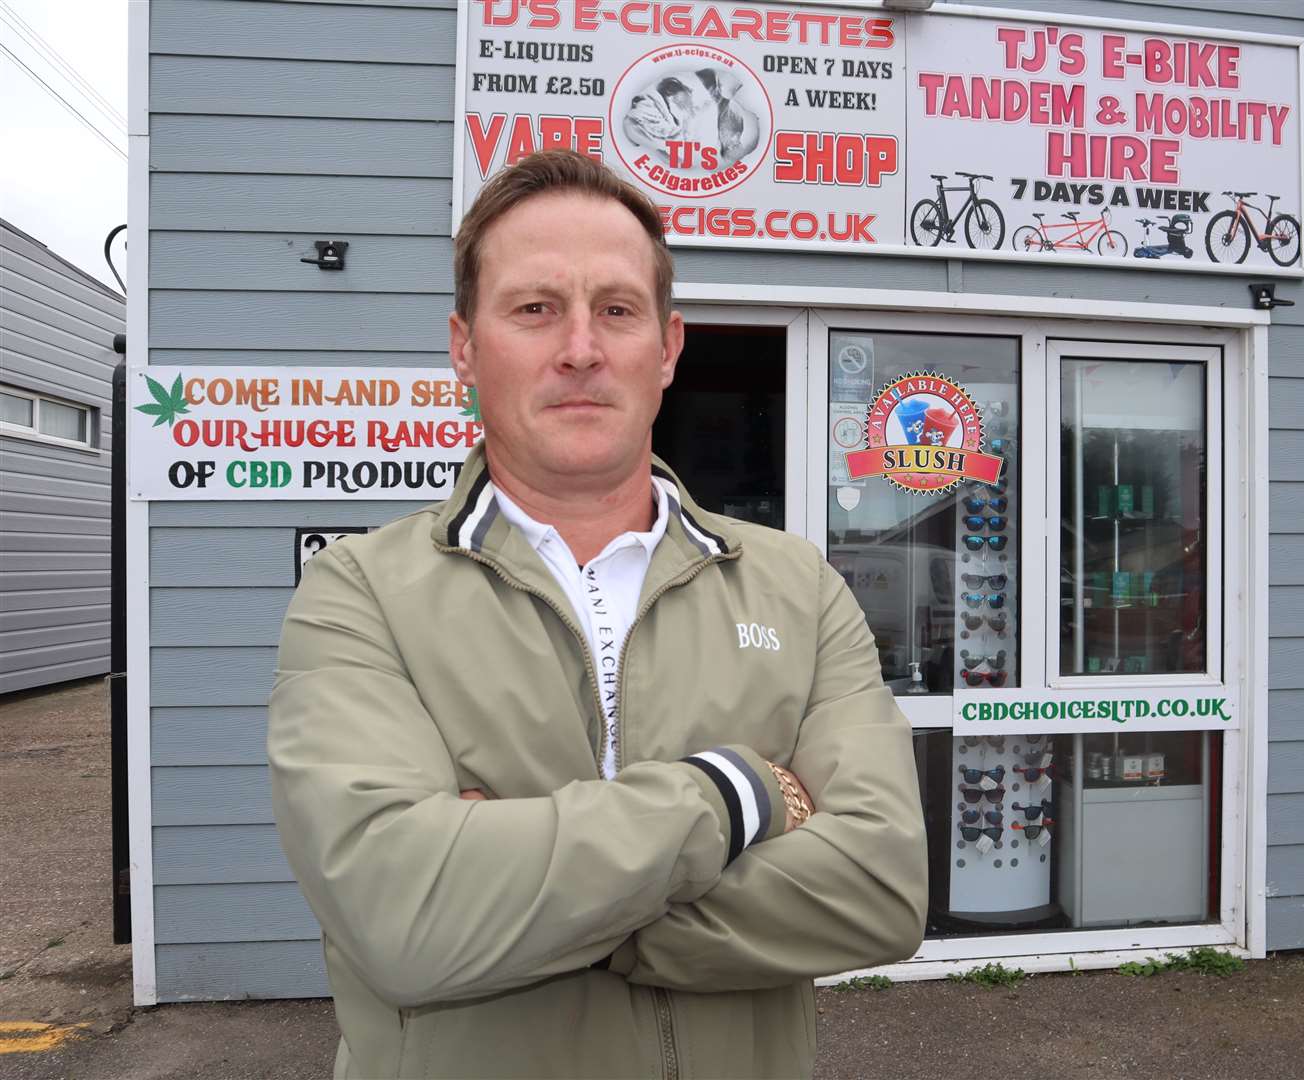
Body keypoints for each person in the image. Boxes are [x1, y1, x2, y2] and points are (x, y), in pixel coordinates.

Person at [266, 149, 928, 1080]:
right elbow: (403, 919)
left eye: (617, 310)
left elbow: (880, 889)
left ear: (667, 347)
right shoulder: (359, 593)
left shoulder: (797, 587)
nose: (580, 347)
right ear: (465, 345)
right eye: (535, 309)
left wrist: (527, 899)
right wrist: (735, 794)